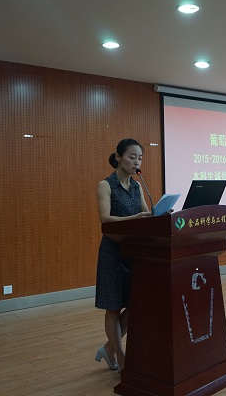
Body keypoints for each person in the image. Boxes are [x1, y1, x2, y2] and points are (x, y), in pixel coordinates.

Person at [94, 138, 151, 373]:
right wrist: (134, 219)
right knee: (114, 307)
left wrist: (160, 214)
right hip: (113, 253)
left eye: (140, 158)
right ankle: (120, 355)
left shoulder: (137, 187)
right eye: (132, 157)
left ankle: (108, 349)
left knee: (136, 304)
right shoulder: (106, 185)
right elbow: (105, 219)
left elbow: (147, 215)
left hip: (133, 253)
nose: (136, 162)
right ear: (118, 157)